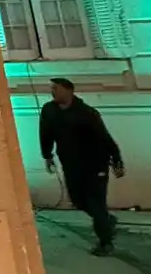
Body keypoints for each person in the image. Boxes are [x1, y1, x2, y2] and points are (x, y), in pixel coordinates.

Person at [40, 78, 123, 255]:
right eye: (52, 88)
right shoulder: (49, 111)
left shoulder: (87, 113)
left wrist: (117, 160)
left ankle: (105, 243)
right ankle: (107, 221)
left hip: (95, 164)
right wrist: (47, 155)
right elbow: (45, 133)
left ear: (69, 90)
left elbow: (105, 137)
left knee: (97, 203)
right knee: (78, 201)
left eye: (56, 88)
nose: (53, 91)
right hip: (71, 165)